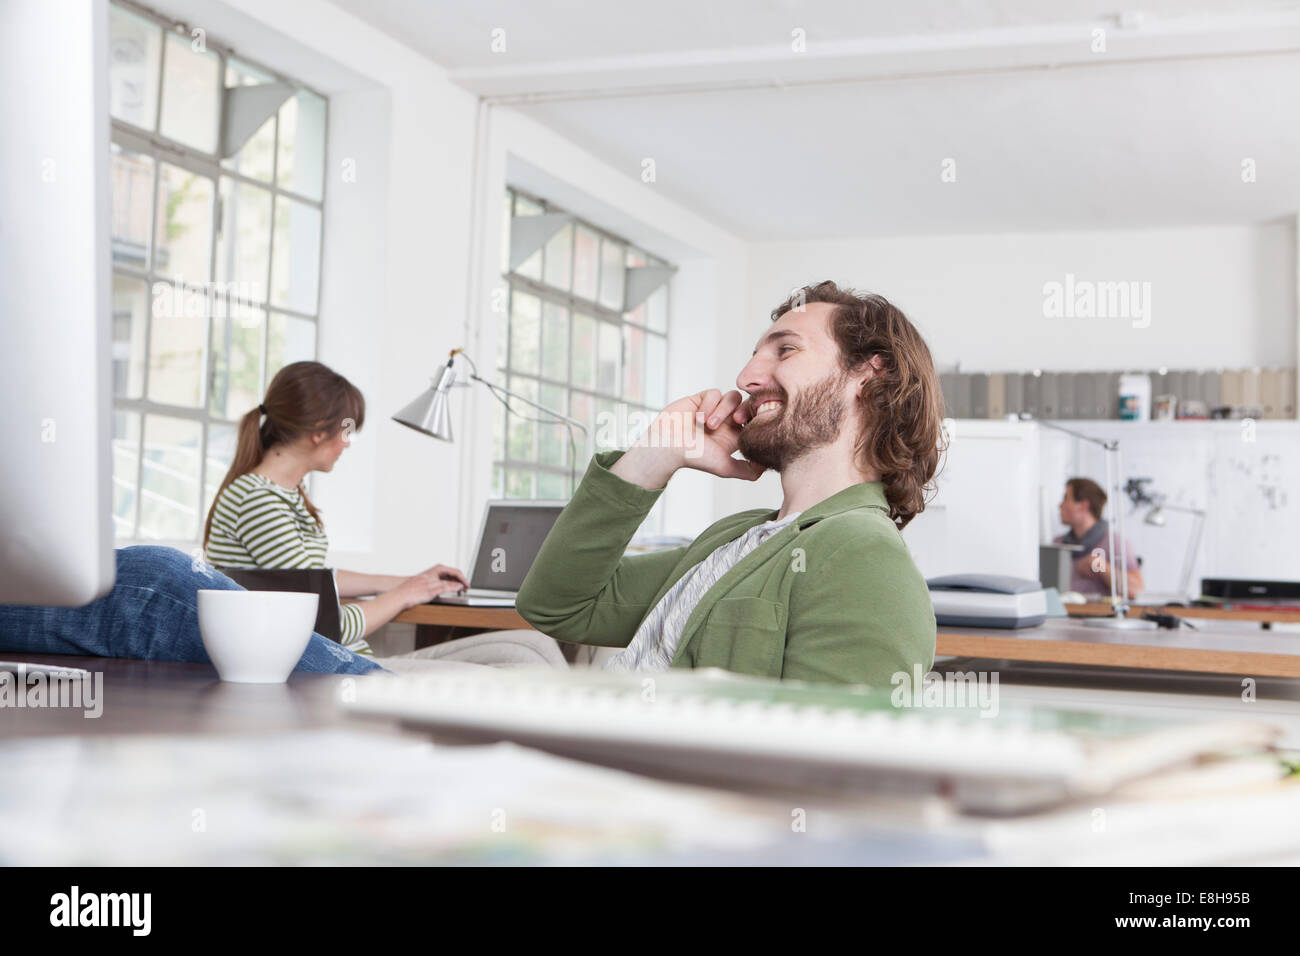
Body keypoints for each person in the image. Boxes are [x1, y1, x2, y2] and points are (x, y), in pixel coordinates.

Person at [516, 280, 943, 686]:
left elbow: (823, 754)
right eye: (754, 355)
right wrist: (653, 457)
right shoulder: (737, 536)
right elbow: (558, 607)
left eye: (785, 351)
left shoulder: (863, 553)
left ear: (868, 374)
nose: (746, 378)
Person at [203, 361, 469, 656]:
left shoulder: (279, 495)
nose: (348, 444)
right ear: (318, 431)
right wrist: (403, 596)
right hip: (321, 670)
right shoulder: (258, 502)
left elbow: (314, 576)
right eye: (347, 431)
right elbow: (324, 625)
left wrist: (412, 582)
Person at [1053, 477, 1144, 598]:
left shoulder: (1114, 542)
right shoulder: (1058, 544)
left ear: (1083, 506)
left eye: (1066, 499)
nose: (1060, 505)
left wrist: (1101, 566)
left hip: (1099, 615)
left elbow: (1137, 589)